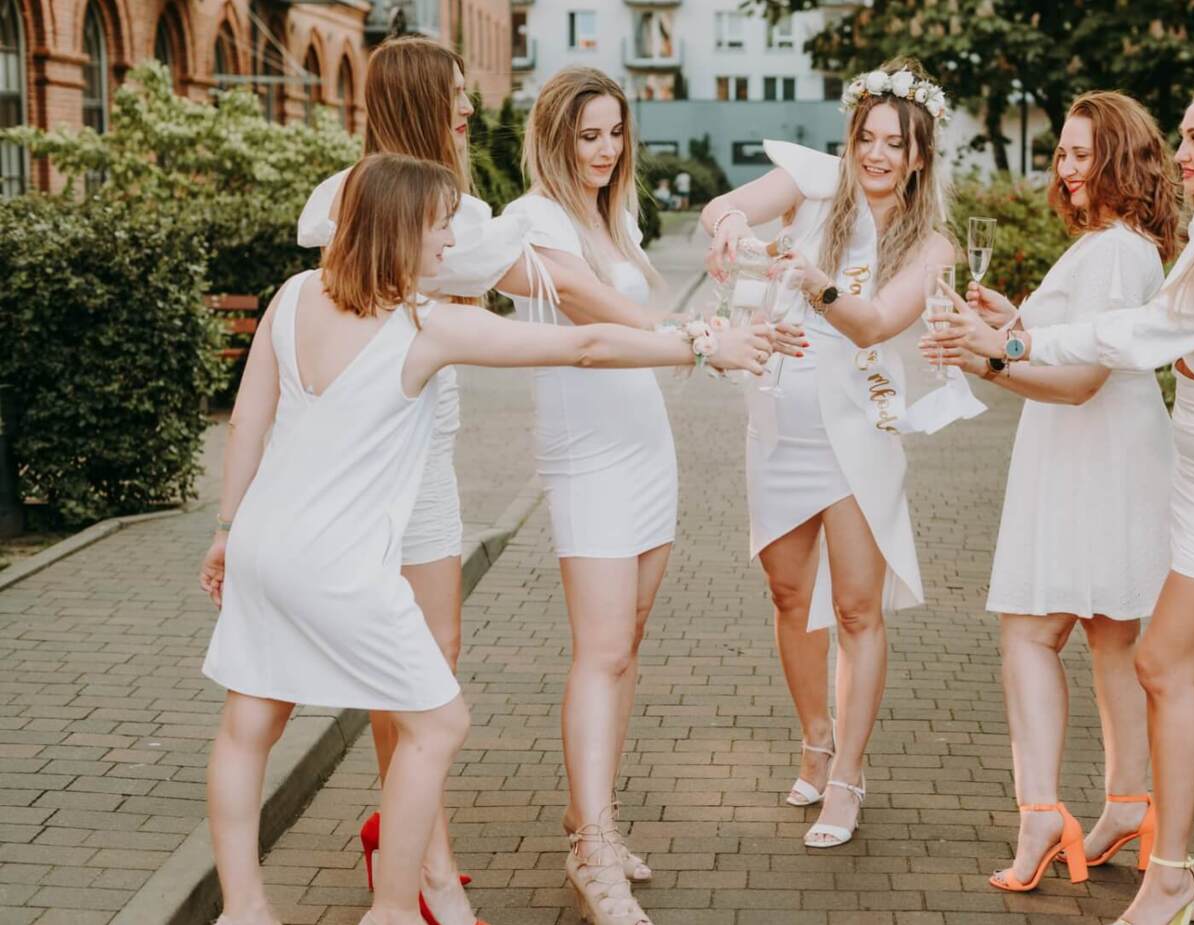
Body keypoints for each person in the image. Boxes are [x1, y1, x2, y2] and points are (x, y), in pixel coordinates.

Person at [200, 153, 772, 925]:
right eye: (439, 226)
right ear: (400, 229)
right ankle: (397, 908)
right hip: (339, 565)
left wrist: (227, 531)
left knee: (248, 728)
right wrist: (704, 346)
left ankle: (243, 909)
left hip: (266, 543)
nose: (448, 243)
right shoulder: (423, 327)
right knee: (438, 722)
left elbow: (247, 420)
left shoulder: (293, 296)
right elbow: (583, 346)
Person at [928, 81, 1194, 925]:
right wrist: (1024, 327)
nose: (1179, 155)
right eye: (1178, 138)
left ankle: (1170, 873)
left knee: (1159, 663)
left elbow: (1140, 334)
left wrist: (1012, 343)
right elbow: (1142, 320)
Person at [500, 66, 797, 925]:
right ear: (555, 135)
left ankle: (590, 815)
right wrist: (706, 341)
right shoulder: (535, 222)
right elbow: (595, 325)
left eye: (614, 132)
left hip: (644, 440)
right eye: (587, 134)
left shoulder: (614, 214)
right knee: (597, 649)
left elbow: (657, 307)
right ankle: (593, 854)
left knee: (624, 643)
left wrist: (724, 296)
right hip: (585, 451)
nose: (604, 149)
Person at [698, 58, 982, 850]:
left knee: (857, 609)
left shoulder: (930, 243)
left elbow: (875, 323)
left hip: (858, 436)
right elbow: (724, 208)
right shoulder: (812, 184)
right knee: (790, 596)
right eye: (868, 137)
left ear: (919, 154)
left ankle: (850, 774)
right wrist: (733, 241)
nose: (878, 154)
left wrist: (816, 280)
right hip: (781, 425)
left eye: (896, 142)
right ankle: (816, 737)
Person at [294, 37, 530, 924]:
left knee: (433, 653)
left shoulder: (458, 208)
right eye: (457, 96)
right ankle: (423, 854)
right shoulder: (361, 199)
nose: (469, 109)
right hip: (375, 455)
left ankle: (401, 826)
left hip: (434, 449)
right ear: (418, 101)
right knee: (407, 657)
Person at [924, 90, 1177, 892]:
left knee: (1029, 635)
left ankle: (1040, 810)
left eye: (1079, 153)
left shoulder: (1112, 251)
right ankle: (1132, 802)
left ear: (1117, 158)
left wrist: (987, 358)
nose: (1065, 169)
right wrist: (1010, 321)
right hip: (1111, 456)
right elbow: (1068, 342)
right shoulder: (1124, 245)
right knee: (1112, 638)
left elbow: (1077, 381)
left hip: (1086, 460)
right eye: (1061, 153)